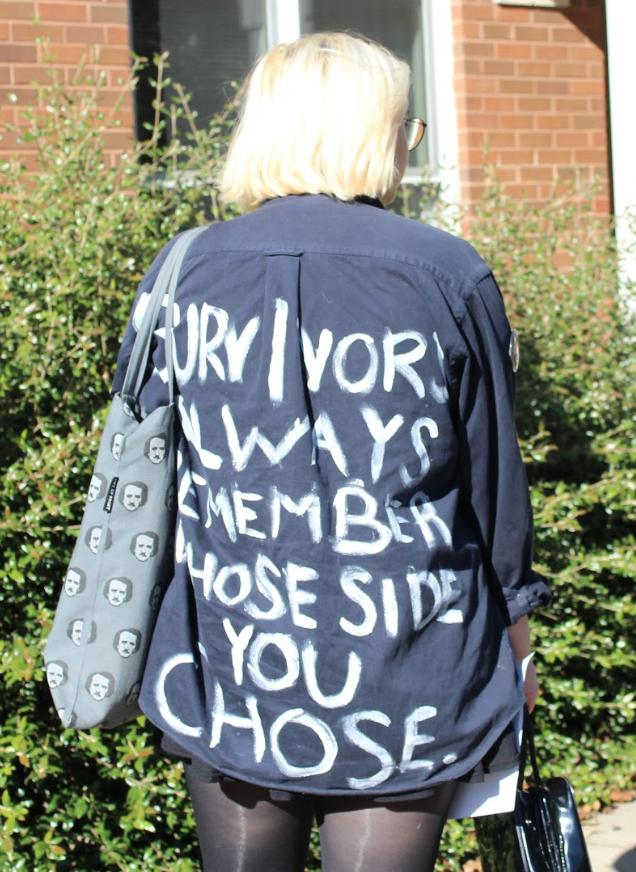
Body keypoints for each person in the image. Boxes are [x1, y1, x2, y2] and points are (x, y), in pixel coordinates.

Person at [113, 31, 551, 872]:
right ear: (375, 132)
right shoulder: (446, 273)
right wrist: (518, 648)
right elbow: (494, 494)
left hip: (232, 662)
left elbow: (154, 469)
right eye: (405, 126)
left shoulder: (184, 269)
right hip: (407, 672)